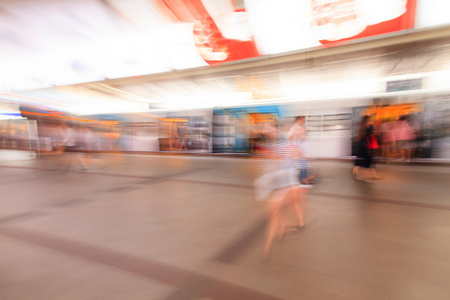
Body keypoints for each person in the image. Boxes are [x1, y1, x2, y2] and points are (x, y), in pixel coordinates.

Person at [254, 124, 312, 258]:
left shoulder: (283, 143)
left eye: (269, 129)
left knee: (273, 212)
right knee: (276, 211)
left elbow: (292, 157)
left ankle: (268, 247)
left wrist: (292, 157)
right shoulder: (272, 143)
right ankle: (282, 229)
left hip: (283, 183)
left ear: (275, 130)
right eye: (266, 130)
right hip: (274, 182)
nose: (267, 131)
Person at [352, 115, 381, 180]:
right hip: (365, 147)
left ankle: (374, 175)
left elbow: (372, 135)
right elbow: (365, 138)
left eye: (371, 120)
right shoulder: (365, 129)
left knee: (371, 161)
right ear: (366, 121)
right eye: (370, 120)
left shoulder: (369, 127)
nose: (371, 121)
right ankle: (355, 170)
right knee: (363, 161)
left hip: (369, 147)